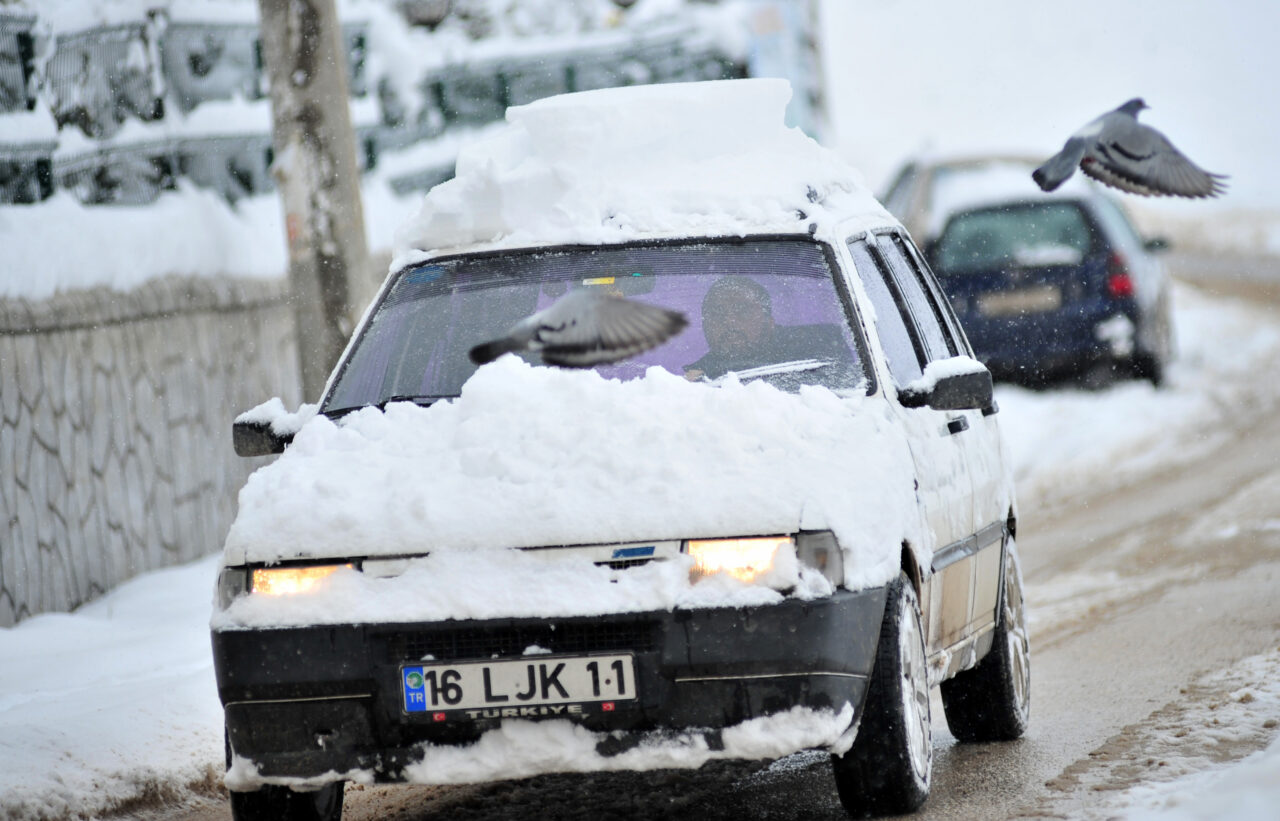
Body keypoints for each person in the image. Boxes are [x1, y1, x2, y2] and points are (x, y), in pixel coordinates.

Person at [685, 276, 849, 381]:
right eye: (717, 313)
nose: (729, 321)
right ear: (705, 326)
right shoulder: (695, 384)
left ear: (769, 321)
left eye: (742, 311)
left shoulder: (821, 351)